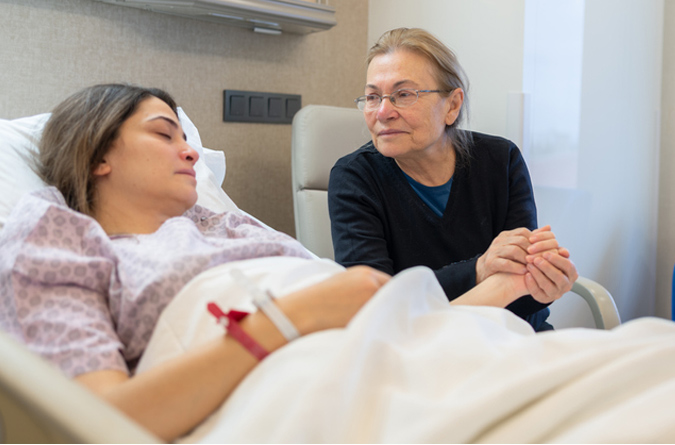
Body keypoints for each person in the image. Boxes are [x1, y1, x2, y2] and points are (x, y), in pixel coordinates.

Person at [0, 83, 576, 441]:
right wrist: (287, 318)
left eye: (185, 134)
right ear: (99, 154)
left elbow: (396, 322)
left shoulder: (227, 223)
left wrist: (507, 285)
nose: (192, 150)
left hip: (412, 348)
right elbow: (94, 420)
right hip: (314, 381)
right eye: (163, 133)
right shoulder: (60, 234)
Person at [328, 27, 570, 331]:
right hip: (417, 348)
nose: (383, 112)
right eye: (373, 97)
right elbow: (375, 307)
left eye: (404, 94)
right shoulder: (355, 178)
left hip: (511, 338)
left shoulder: (501, 160)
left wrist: (545, 283)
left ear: (452, 106)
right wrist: (480, 270)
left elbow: (521, 289)